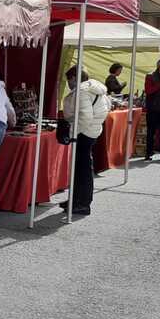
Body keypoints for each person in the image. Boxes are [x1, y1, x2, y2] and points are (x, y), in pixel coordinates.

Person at [59, 66, 109, 216]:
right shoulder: (94, 89)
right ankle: (76, 199)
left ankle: (83, 203)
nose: (68, 83)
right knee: (80, 168)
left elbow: (85, 117)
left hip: (84, 133)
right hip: (91, 131)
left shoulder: (82, 91)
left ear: (74, 77)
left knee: (83, 170)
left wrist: (73, 131)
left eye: (69, 79)